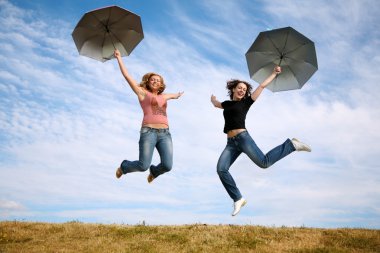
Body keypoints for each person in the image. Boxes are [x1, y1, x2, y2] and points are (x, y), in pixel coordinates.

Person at [210, 66, 311, 216]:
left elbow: (262, 86)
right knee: (221, 169)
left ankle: (291, 145)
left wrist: (274, 73)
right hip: (231, 144)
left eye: (244, 89)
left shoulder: (246, 103)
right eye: (239, 88)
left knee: (264, 163)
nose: (242, 90)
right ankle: (238, 199)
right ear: (233, 89)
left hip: (243, 138)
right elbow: (217, 105)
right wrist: (213, 100)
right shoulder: (227, 104)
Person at [114, 49, 184, 183]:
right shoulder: (142, 93)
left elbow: (173, 95)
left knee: (168, 166)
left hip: (165, 134)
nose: (155, 81)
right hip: (148, 132)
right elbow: (127, 77)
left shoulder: (164, 96)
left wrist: (177, 95)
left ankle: (155, 172)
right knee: (143, 166)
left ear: (161, 84)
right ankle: (124, 167)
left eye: (158, 80)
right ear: (148, 81)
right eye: (153, 80)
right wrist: (119, 58)